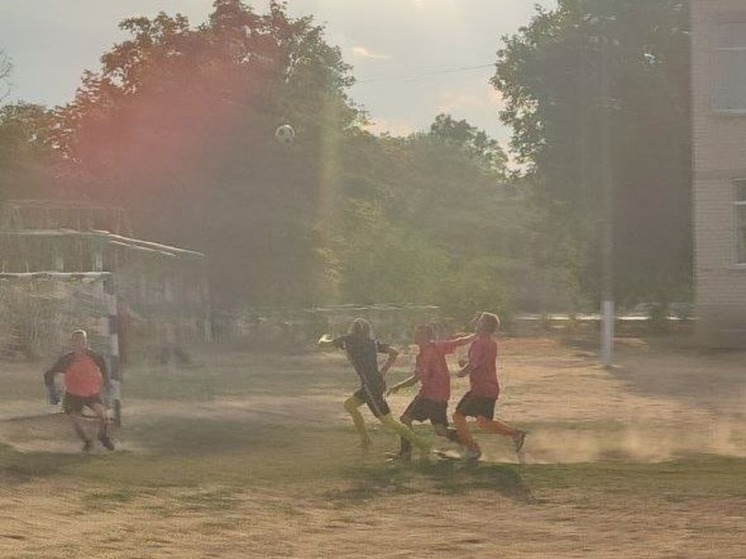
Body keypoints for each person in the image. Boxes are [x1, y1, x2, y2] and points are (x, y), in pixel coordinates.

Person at [318, 317, 431, 458]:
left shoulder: (348, 340)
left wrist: (325, 336)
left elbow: (322, 344)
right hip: (372, 384)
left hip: (371, 386)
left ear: (353, 330)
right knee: (350, 405)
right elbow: (394, 352)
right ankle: (366, 440)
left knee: (387, 420)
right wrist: (383, 370)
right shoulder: (372, 343)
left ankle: (423, 444)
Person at [386, 324, 474, 461]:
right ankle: (472, 446)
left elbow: (459, 341)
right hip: (438, 396)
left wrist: (478, 335)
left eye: (417, 333)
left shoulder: (436, 346)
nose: (414, 335)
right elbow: (416, 378)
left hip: (430, 396)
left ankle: (405, 453)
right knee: (440, 430)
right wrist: (399, 385)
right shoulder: (421, 356)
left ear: (425, 336)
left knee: (405, 419)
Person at [452, 312, 526, 461]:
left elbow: (474, 364)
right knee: (483, 422)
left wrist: (461, 372)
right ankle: (515, 434)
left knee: (458, 416)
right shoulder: (489, 342)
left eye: (479, 321)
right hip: (486, 388)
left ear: (483, 325)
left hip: (482, 389)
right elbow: (477, 362)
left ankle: (473, 449)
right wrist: (465, 364)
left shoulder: (480, 343)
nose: (476, 323)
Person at [43, 329, 115, 452]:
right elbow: (49, 374)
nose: (81, 344)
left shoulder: (94, 356)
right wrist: (52, 392)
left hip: (91, 393)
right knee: (75, 419)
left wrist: (107, 384)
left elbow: (103, 368)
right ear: (72, 343)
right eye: (78, 341)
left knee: (103, 415)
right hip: (74, 394)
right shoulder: (67, 360)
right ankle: (87, 442)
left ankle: (103, 437)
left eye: (84, 341)